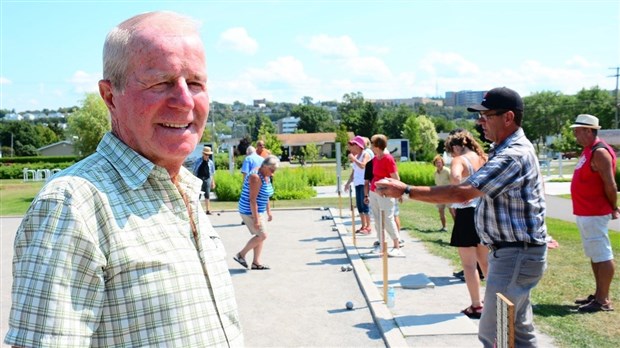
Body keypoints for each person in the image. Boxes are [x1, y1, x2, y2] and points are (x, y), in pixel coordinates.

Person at [4, 11, 244, 348]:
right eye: (161, 83)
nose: (185, 101)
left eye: (195, 83)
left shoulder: (182, 189)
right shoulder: (73, 207)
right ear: (110, 96)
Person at [376, 87, 548, 347]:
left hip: (515, 255)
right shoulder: (504, 150)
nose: (480, 122)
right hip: (514, 253)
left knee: (496, 332)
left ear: (508, 117)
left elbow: (462, 191)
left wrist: (407, 191)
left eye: (486, 115)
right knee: (518, 331)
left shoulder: (513, 154)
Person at [569, 114, 618, 313]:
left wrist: (613, 207)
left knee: (603, 255)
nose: (575, 135)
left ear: (589, 130)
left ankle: (603, 300)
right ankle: (598, 295)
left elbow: (611, 185)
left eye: (578, 131)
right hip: (586, 211)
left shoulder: (600, 152)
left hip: (595, 211)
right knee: (596, 254)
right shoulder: (589, 150)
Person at [444, 129, 489, 319]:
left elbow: (455, 177)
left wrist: (460, 191)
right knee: (486, 261)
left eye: (451, 151)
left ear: (456, 147)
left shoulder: (460, 159)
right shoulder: (482, 157)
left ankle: (476, 305)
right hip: (484, 210)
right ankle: (495, 300)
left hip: (467, 212)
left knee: (469, 265)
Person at [234, 155, 279, 270]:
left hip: (259, 210)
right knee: (262, 235)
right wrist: (256, 219)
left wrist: (268, 211)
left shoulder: (266, 175)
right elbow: (252, 200)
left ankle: (256, 263)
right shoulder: (256, 177)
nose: (273, 173)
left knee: (260, 236)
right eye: (272, 170)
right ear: (265, 167)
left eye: (275, 171)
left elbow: (266, 194)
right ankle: (241, 255)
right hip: (249, 210)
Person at [365, 134, 404, 258]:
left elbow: (396, 178)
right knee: (377, 219)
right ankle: (381, 245)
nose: (370, 145)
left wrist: (400, 192)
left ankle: (397, 246)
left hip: (386, 193)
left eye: (372, 143)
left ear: (377, 145)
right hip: (374, 191)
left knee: (388, 219)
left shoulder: (388, 159)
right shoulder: (375, 159)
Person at [344, 135, 373, 234]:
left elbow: (363, 165)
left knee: (365, 205)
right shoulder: (356, 156)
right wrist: (348, 183)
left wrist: (354, 159)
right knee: (359, 206)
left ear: (357, 146)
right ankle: (363, 225)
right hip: (357, 183)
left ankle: (368, 226)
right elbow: (353, 172)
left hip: (364, 183)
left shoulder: (365, 154)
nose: (350, 149)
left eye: (351, 146)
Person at [432, 154, 454, 231]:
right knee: (441, 211)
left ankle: (458, 227)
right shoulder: (435, 173)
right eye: (436, 163)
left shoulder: (447, 171)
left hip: (448, 194)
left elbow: (453, 181)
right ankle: (444, 227)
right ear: (434, 164)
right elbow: (436, 184)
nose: (438, 164)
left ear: (442, 163)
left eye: (439, 162)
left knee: (452, 211)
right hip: (439, 195)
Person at [192, 146, 216, 214]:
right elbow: (194, 171)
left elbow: (212, 173)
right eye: (206, 154)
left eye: (208, 154)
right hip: (199, 179)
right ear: (203, 154)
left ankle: (208, 210)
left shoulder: (210, 162)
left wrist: (212, 182)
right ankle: (197, 210)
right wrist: (194, 180)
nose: (207, 156)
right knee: (198, 195)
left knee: (207, 195)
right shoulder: (198, 161)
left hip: (207, 179)